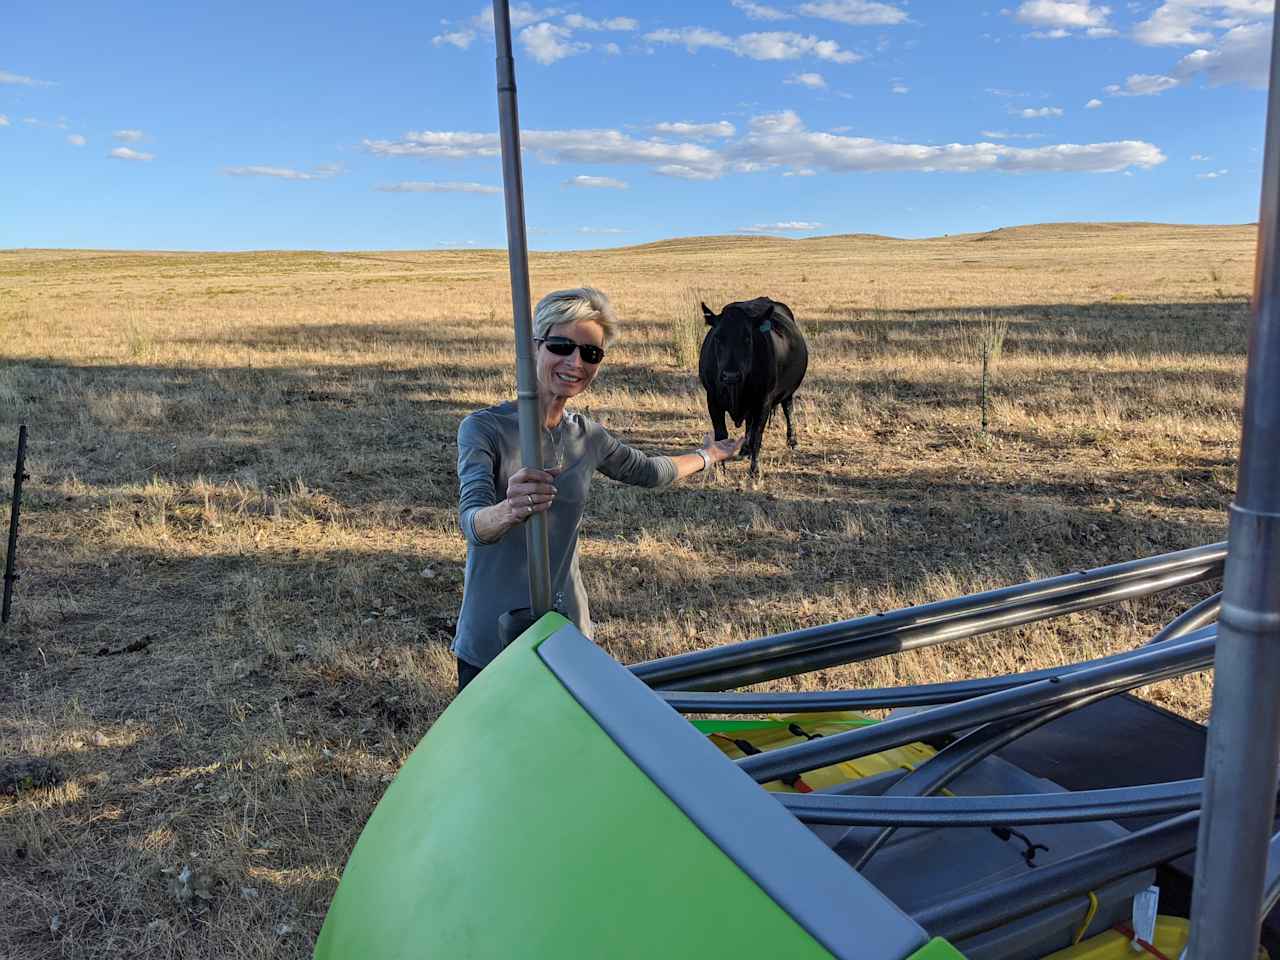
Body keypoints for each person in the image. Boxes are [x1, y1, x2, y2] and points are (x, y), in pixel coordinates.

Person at [452, 287, 742, 692]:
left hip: (565, 633)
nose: (575, 363)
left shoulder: (588, 437)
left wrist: (709, 454)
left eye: (590, 354)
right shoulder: (483, 428)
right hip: (491, 640)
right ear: (533, 346)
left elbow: (651, 472)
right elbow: (472, 522)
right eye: (561, 346)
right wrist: (508, 509)